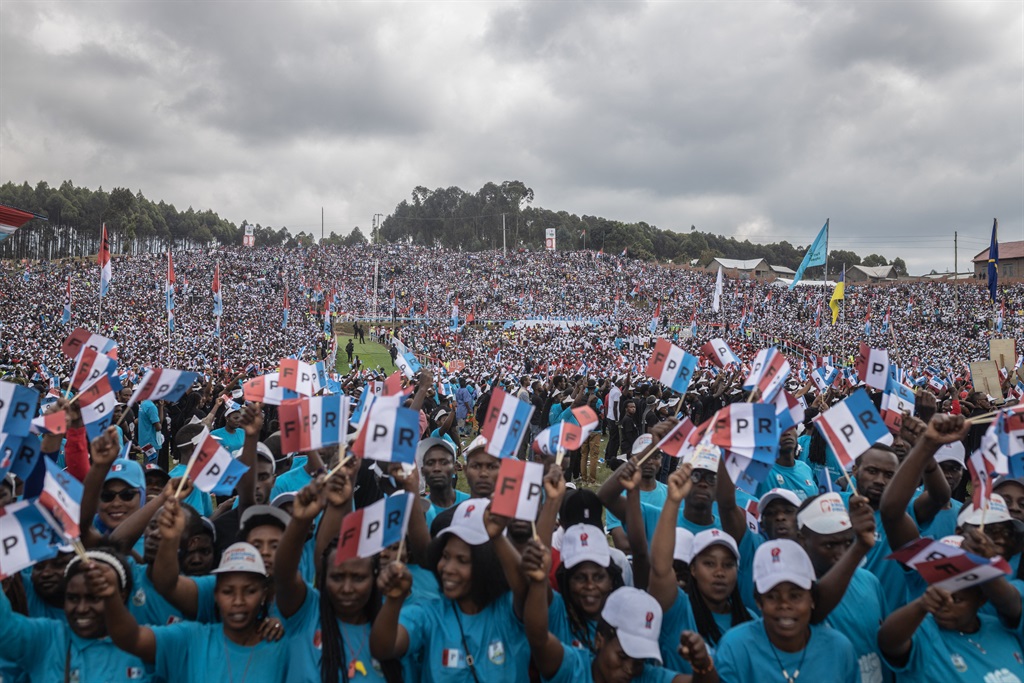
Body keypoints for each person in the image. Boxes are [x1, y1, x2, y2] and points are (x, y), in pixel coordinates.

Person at [370, 498, 530, 681]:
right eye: (445, 556)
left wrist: (497, 536)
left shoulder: (507, 610)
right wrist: (393, 600)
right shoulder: (428, 614)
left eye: (462, 560)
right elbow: (383, 648)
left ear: (487, 565)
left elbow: (526, 589)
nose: (447, 568)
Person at [521, 537, 717, 683]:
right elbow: (538, 639)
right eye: (622, 656)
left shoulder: (645, 676)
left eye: (639, 661)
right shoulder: (572, 668)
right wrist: (539, 582)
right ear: (599, 640)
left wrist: (703, 665)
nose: (630, 669)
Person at [90, 541, 289, 682]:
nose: (238, 601)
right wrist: (111, 597)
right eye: (228, 592)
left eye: (250, 591)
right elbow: (131, 638)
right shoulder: (191, 639)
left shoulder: (281, 644)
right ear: (216, 595)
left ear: (263, 595)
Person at [275, 479, 403, 683]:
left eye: (359, 578)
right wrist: (300, 522)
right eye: (337, 577)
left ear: (375, 578)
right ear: (323, 577)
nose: (347, 588)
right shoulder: (307, 613)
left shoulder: (391, 630)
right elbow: (283, 576)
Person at [713, 539, 859, 682]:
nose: (784, 604)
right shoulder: (735, 648)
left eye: (795, 596)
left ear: (812, 599)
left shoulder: (839, 649)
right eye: (772, 596)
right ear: (758, 601)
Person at [0, 548, 153, 682]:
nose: (81, 608)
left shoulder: (146, 646)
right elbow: (5, 626)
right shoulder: (47, 638)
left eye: (93, 598)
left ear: (120, 596)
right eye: (72, 598)